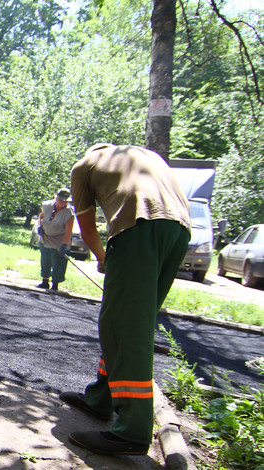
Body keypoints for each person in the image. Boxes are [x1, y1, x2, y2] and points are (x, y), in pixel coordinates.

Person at [60, 143, 190, 456]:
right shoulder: (143, 155)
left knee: (123, 326)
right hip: (180, 231)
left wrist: (104, 258)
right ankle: (101, 399)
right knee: (131, 320)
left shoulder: (84, 167)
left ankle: (132, 430)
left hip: (139, 228)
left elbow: (87, 227)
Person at [36, 187, 74, 291]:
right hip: (46, 238)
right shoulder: (47, 205)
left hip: (60, 240)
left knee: (58, 263)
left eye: (65, 201)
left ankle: (55, 285)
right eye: (61, 200)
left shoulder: (69, 212)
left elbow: (69, 231)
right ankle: (45, 282)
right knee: (45, 259)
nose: (63, 202)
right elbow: (41, 216)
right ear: (56, 197)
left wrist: (64, 245)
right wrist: (39, 226)